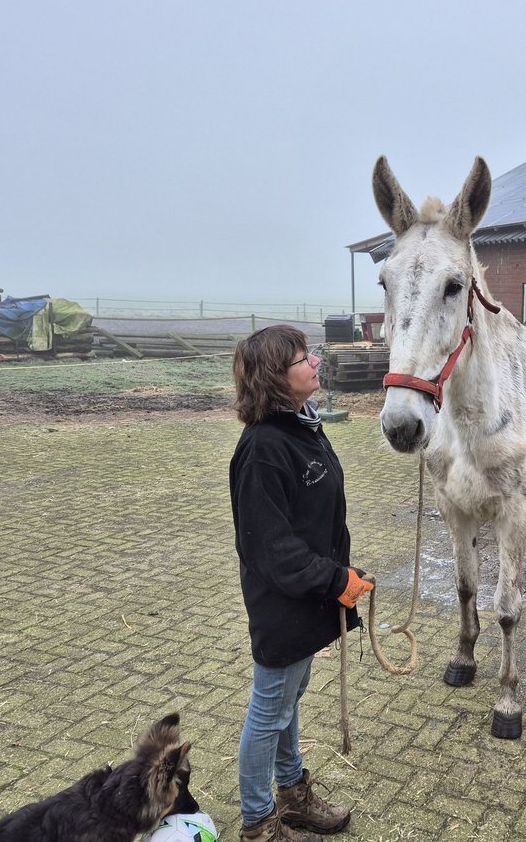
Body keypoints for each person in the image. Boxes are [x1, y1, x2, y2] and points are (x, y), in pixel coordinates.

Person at [229, 325, 374, 842]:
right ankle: (257, 820)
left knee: (290, 699)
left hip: (310, 599)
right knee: (269, 709)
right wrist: (336, 580)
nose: (315, 361)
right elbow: (271, 549)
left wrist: (343, 576)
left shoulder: (303, 427)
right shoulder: (263, 449)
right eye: (302, 358)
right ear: (276, 376)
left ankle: (291, 794)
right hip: (285, 605)